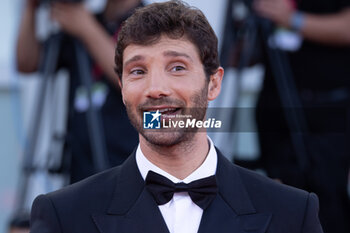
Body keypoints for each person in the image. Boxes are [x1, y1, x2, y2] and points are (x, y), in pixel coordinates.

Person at [30, 1, 324, 232]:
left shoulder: (292, 213)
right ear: (122, 88)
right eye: (138, 71)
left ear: (214, 83)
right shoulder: (64, 216)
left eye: (177, 68)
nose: (156, 89)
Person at [16, 0, 140, 183]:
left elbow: (133, 77)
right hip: (80, 171)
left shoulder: (149, 22)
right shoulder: (85, 22)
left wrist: (87, 29)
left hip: (127, 168)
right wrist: (30, 8)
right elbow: (27, 62)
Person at [253, 0, 350, 232]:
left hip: (326, 110)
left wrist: (293, 19)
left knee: (325, 202)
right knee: (279, 199)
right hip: (274, 108)